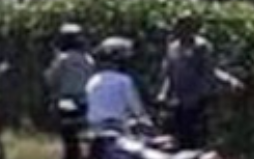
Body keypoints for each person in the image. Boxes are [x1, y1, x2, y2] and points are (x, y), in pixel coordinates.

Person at [157, 15, 242, 151]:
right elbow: (169, 73)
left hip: (196, 100)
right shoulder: (173, 48)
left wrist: (229, 81)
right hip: (178, 99)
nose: (180, 31)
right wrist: (163, 93)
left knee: (193, 138)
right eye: (178, 27)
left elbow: (209, 71)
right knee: (173, 137)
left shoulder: (201, 47)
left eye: (185, 28)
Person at [44, 23, 94, 159]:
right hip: (84, 99)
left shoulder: (62, 59)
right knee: (80, 133)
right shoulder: (88, 59)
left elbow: (51, 79)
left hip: (66, 99)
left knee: (68, 134)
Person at [85, 37, 149, 134]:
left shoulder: (92, 80)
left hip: (95, 128)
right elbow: (137, 109)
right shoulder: (124, 80)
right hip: (118, 127)